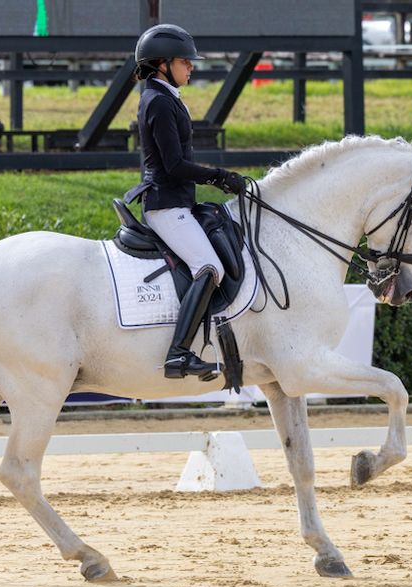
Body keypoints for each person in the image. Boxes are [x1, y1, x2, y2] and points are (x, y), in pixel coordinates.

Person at [124, 24, 246, 381]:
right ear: (161, 64)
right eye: (184, 62)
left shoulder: (165, 97)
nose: (191, 67)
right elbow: (174, 164)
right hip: (166, 205)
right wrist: (219, 177)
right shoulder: (158, 102)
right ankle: (178, 354)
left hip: (177, 202)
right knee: (209, 268)